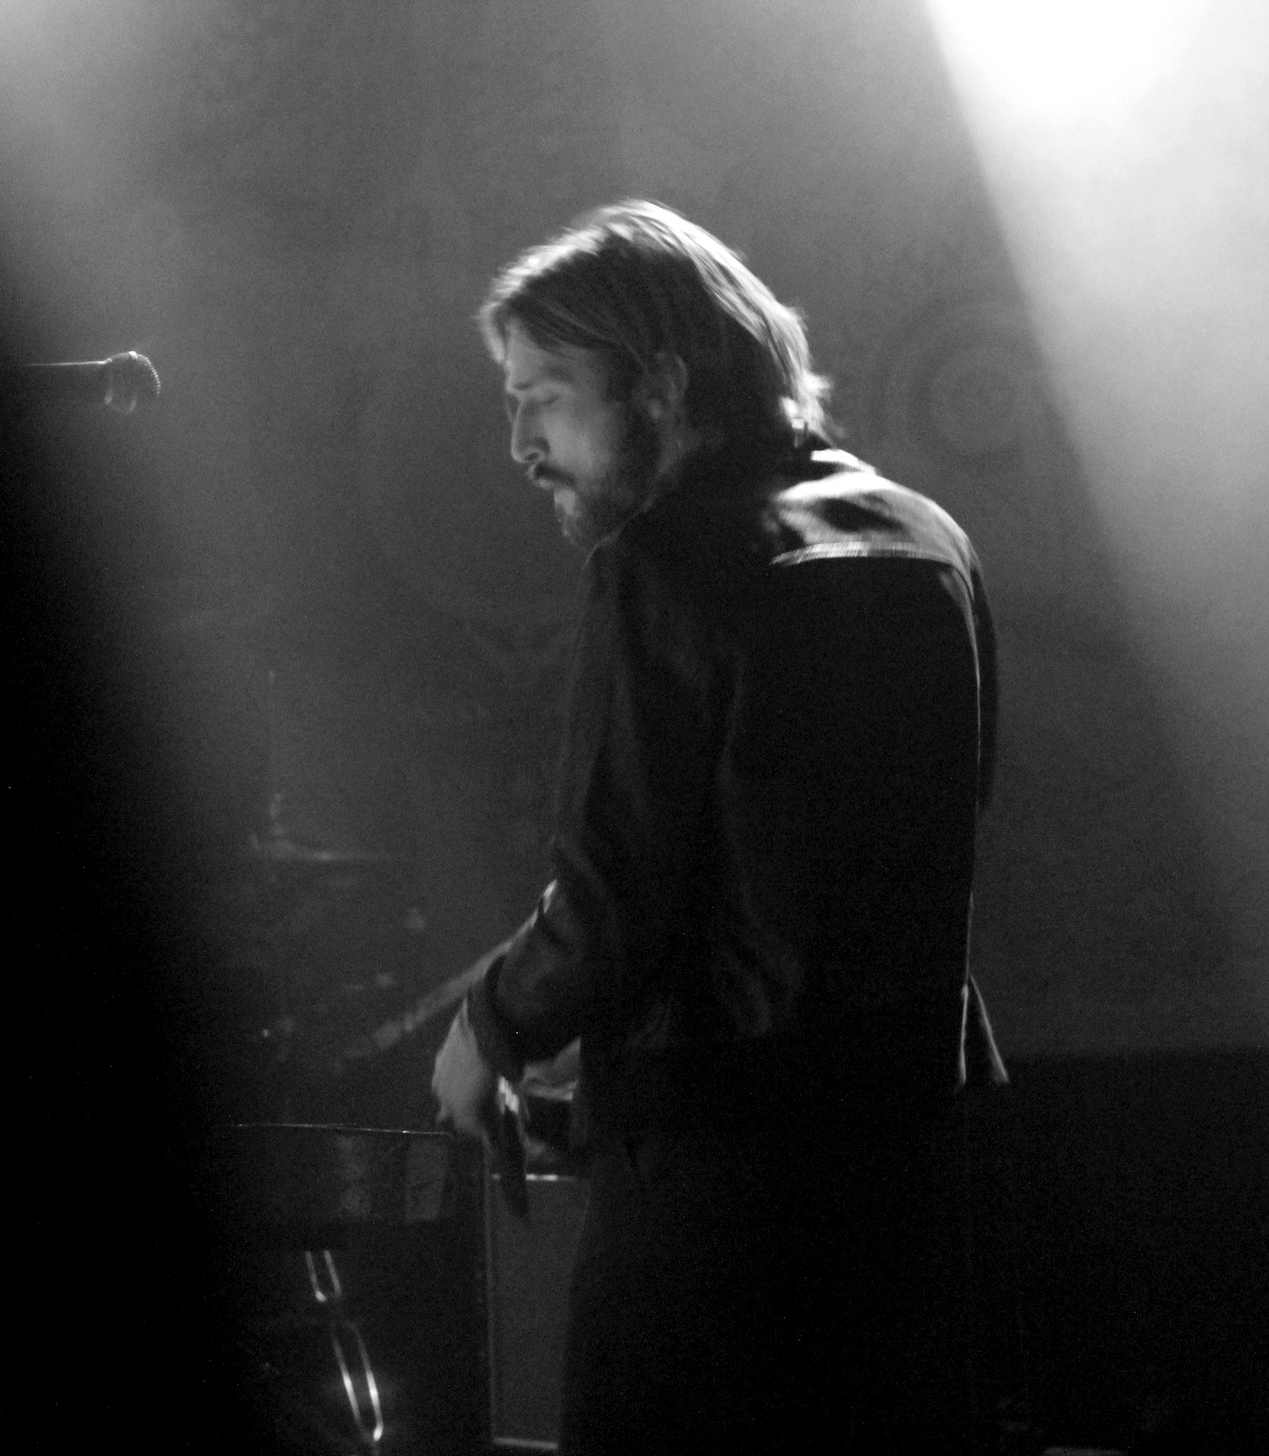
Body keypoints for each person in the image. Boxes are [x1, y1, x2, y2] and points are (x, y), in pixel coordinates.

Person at [430, 200, 1006, 1453]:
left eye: (545, 397)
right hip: (907, 1173)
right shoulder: (931, 540)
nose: (522, 443)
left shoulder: (666, 558)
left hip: (715, 1189)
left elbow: (612, 894)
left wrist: (492, 1029)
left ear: (664, 384)